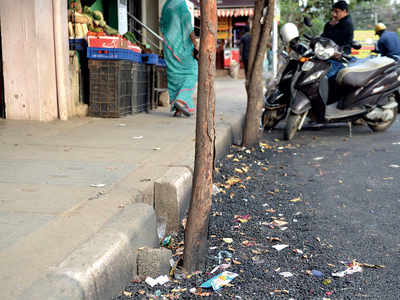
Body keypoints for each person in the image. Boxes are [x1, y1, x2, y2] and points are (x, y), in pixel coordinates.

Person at [160, 0, 198, 117]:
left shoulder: (166, 5)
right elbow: (187, 25)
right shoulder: (181, 5)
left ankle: (178, 110)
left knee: (175, 76)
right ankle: (181, 101)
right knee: (192, 72)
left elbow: (162, 25)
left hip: (169, 47)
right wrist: (195, 43)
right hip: (182, 48)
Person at [321, 0, 354, 79]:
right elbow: (323, 37)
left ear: (344, 11)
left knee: (323, 78)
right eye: (334, 11)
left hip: (340, 58)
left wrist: (329, 25)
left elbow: (331, 38)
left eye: (337, 12)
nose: (334, 14)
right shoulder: (339, 22)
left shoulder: (346, 24)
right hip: (331, 55)